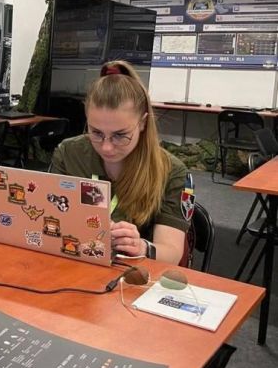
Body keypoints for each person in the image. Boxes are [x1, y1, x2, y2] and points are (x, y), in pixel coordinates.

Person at [51, 61, 193, 264]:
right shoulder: (68, 153)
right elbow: (51, 216)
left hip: (130, 273)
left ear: (142, 123)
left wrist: (142, 247)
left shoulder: (173, 172)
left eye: (120, 135)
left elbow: (172, 254)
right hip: (74, 262)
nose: (106, 147)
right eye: (96, 132)